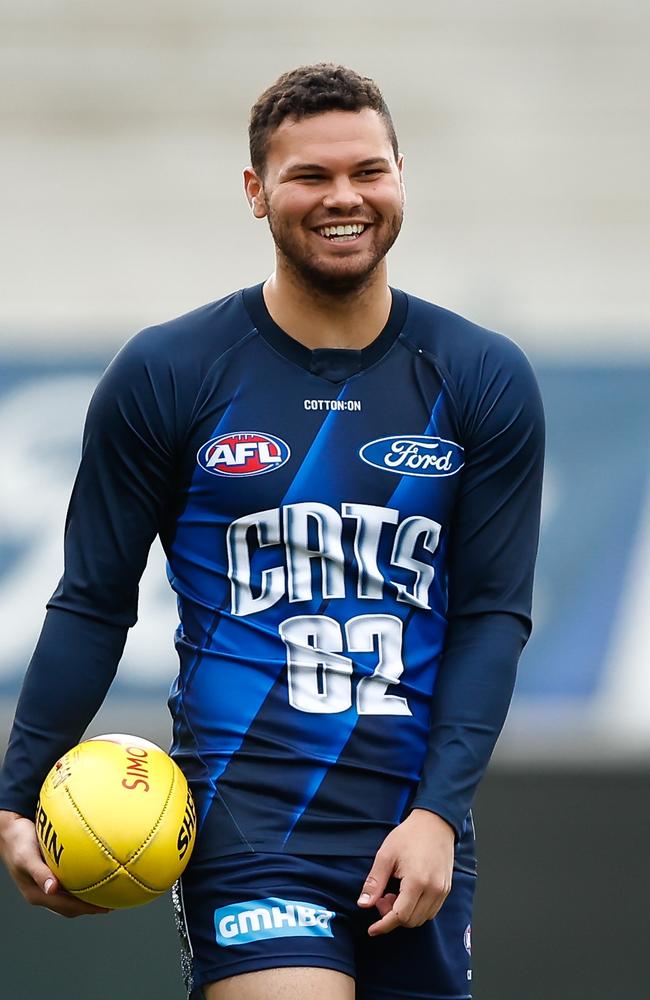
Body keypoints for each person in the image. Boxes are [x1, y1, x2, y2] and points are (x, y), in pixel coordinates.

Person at [0, 64, 544, 1000]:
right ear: (257, 192)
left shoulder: (481, 377)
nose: (344, 197)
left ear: (401, 177)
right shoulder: (169, 372)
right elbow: (92, 601)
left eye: (368, 171)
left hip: (411, 829)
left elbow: (493, 614)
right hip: (246, 825)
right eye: (310, 176)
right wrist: (16, 793)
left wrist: (441, 816)